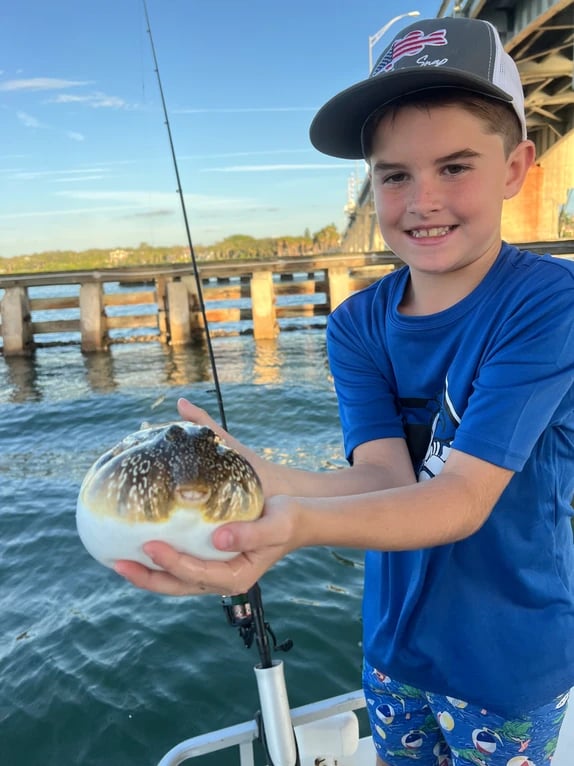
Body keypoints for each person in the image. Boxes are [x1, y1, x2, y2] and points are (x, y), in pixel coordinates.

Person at [115, 16, 574, 766]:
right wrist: (264, 482)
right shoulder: (357, 323)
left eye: (456, 166)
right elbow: (385, 478)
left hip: (511, 665)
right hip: (393, 649)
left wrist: (294, 525)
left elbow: (458, 499)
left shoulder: (547, 304)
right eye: (394, 175)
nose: (421, 199)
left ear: (518, 166)